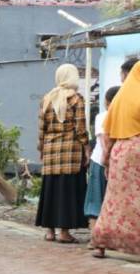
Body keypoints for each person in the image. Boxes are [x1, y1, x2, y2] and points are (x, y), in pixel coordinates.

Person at [35, 64, 89, 243]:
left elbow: (41, 129)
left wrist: (41, 149)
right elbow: (80, 129)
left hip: (51, 152)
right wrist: (87, 149)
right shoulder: (76, 99)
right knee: (67, 190)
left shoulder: (47, 98)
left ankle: (50, 232)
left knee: (50, 189)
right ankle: (64, 233)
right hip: (70, 152)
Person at [93, 59, 140, 256]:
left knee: (113, 201)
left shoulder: (120, 97)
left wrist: (105, 161)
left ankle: (101, 243)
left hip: (119, 151)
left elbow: (107, 132)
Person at [87, 85, 120, 258]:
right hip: (116, 164)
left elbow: (104, 141)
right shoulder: (123, 117)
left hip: (100, 162)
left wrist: (106, 162)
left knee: (95, 201)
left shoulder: (102, 117)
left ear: (107, 102)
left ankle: (96, 240)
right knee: (111, 204)